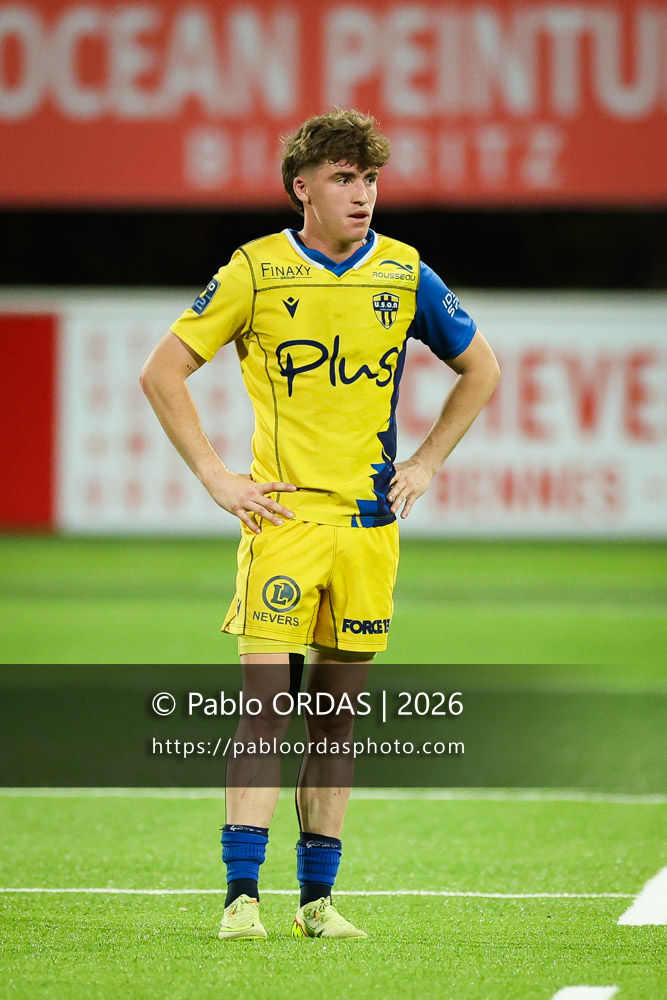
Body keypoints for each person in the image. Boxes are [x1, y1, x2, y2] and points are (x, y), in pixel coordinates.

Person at [140, 108, 500, 941]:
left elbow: (480, 369)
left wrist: (426, 464)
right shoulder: (255, 271)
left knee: (336, 718)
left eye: (370, 179)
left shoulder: (404, 273)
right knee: (266, 705)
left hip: (369, 528)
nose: (362, 194)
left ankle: (317, 902)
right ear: (302, 188)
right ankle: (240, 898)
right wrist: (216, 476)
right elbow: (163, 373)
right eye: (344, 178)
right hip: (285, 522)